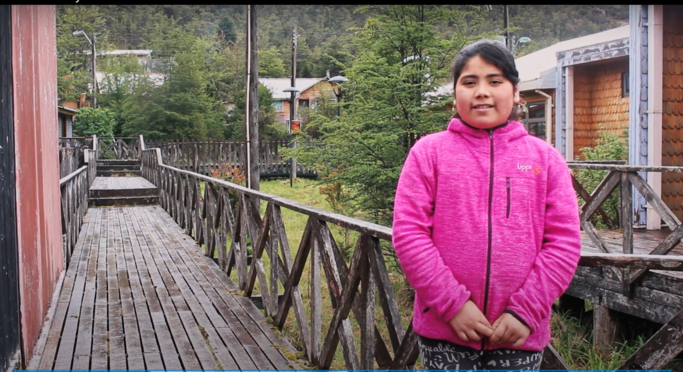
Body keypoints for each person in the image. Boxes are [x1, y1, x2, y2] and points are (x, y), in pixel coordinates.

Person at [392, 39, 582, 371]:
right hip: (445, 329)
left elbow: (564, 243)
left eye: (494, 81)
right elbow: (409, 235)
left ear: (516, 92)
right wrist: (453, 305)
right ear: (455, 95)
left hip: (519, 332)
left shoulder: (545, 160)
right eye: (469, 82)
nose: (481, 91)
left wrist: (526, 310)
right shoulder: (428, 153)